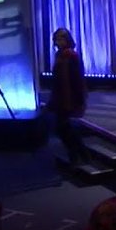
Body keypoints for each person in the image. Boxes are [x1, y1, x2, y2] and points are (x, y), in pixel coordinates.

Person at [49, 27, 90, 163]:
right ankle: (80, 154)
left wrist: (80, 100)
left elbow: (78, 79)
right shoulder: (59, 56)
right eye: (56, 39)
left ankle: (79, 155)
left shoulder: (72, 56)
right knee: (63, 129)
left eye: (61, 39)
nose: (58, 42)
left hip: (70, 98)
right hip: (60, 97)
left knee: (64, 128)